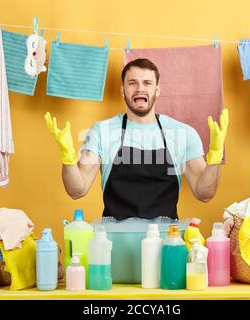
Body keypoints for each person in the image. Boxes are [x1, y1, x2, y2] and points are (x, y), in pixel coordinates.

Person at [44, 58, 229, 220]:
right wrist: (68, 158)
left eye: (147, 83)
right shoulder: (102, 131)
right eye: (132, 83)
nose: (140, 89)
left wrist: (214, 159)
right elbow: (77, 190)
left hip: (166, 242)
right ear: (122, 90)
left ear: (157, 90)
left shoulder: (183, 133)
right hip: (115, 242)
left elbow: (204, 193)